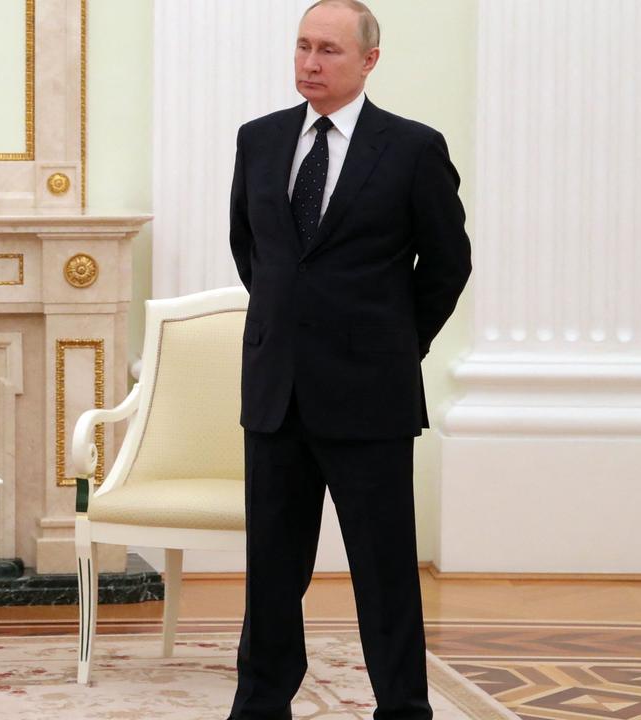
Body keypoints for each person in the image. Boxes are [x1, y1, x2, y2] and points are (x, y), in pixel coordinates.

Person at [227, 1, 471, 718]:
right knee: (272, 570)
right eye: (303, 47)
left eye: (329, 50)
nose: (311, 63)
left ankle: (403, 707)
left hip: (372, 395)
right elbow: (255, 253)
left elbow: (447, 265)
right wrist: (291, 334)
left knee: (384, 569)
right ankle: (261, 703)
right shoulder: (260, 140)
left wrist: (394, 344)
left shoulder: (412, 148)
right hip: (277, 393)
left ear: (369, 60)